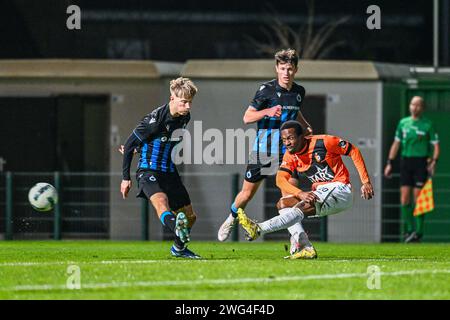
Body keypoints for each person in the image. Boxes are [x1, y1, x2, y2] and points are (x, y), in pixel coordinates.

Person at [217, 49, 313, 253]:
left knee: (289, 197)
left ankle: (299, 241)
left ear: (296, 69)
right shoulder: (266, 90)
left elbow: (295, 112)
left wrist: (305, 125)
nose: (286, 72)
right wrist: (267, 112)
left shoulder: (299, 92)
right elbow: (247, 117)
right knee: (246, 194)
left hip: (287, 153)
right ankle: (231, 217)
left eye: (290, 68)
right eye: (282, 68)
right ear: (276, 68)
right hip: (263, 151)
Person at [237, 120, 374, 259]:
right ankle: (305, 246)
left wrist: (366, 181)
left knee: (303, 205)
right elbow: (280, 180)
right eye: (284, 140)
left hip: (341, 189)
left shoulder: (324, 142)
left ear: (302, 136)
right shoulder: (290, 156)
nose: (287, 143)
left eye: (290, 138)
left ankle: (258, 229)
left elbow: (353, 151)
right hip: (322, 192)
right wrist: (300, 193)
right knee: (283, 203)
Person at [121, 77, 201, 259]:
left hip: (170, 172)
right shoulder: (153, 120)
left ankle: (179, 249)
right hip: (148, 171)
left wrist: (140, 148)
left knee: (191, 217)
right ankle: (178, 230)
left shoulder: (184, 116)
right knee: (161, 202)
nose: (188, 107)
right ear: (172, 98)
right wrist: (126, 178)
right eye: (184, 102)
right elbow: (128, 145)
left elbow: (160, 139)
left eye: (190, 102)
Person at [384, 96, 440, 243]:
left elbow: (436, 146)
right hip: (406, 162)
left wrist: (433, 161)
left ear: (422, 108)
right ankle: (409, 230)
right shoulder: (403, 123)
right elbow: (396, 144)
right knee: (404, 198)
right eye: (412, 104)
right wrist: (390, 162)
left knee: (418, 198)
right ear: (409, 106)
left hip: (421, 163)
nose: (415, 107)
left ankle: (419, 232)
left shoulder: (428, 124)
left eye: (418, 105)